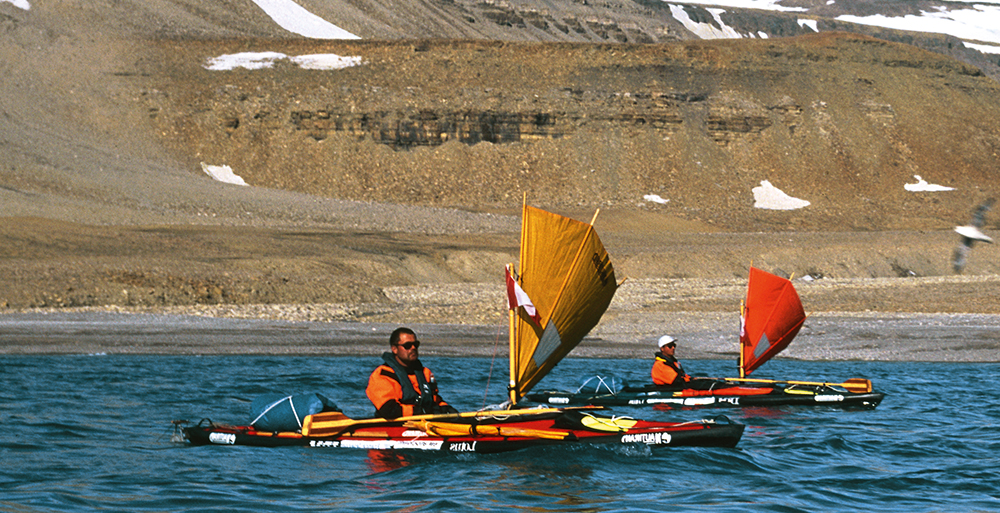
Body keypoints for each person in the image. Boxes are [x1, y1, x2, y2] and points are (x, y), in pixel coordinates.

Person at [366, 327, 459, 419]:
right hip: (397, 425)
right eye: (407, 346)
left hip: (426, 423)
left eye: (416, 344)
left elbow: (435, 400)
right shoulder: (383, 375)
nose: (413, 348)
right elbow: (389, 410)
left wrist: (447, 410)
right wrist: (420, 411)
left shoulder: (425, 373)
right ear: (394, 349)